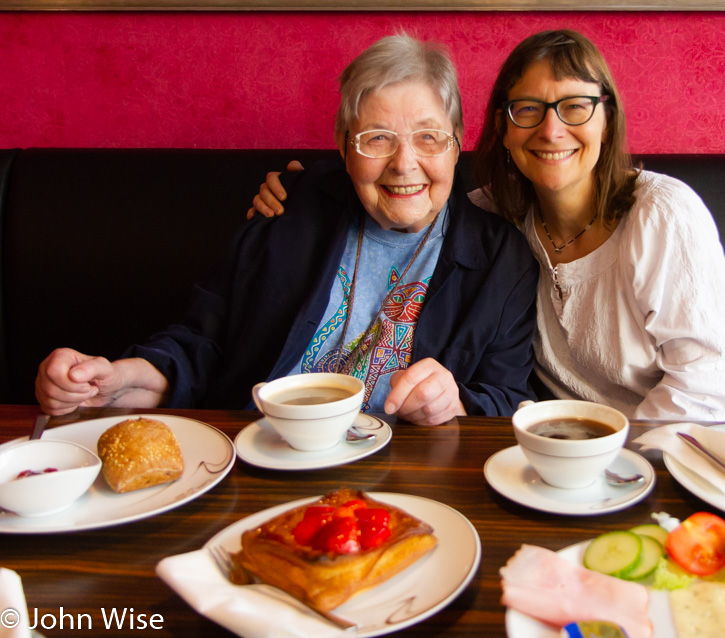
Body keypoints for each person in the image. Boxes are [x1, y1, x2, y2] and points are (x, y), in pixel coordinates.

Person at [246, 30, 725, 424]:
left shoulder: (661, 213)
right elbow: (412, 187)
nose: (552, 129)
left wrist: (615, 460)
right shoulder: (501, 216)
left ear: (607, 118)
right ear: (503, 129)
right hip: (576, 462)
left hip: (710, 447)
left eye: (575, 106)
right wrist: (308, 188)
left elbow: (709, 388)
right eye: (528, 109)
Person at [35, 35, 539, 426]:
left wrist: (455, 402)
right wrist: (117, 381)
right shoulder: (292, 205)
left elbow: (508, 397)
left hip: (404, 474)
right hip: (255, 456)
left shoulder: (502, 260)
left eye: (428, 138)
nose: (404, 164)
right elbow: (204, 341)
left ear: (456, 144)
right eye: (377, 139)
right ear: (343, 148)